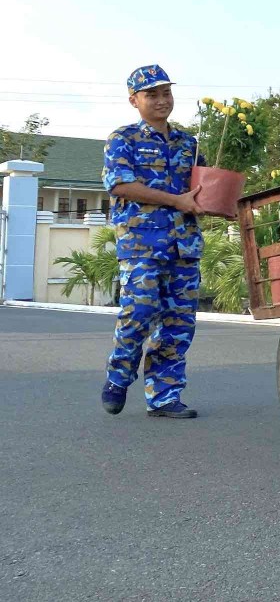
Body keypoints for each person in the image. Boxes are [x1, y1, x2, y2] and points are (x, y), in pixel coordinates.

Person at [100, 65, 206, 419]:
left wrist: (220, 205)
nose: (162, 101)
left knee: (178, 324)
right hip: (142, 244)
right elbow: (121, 186)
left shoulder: (188, 144)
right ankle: (119, 374)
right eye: (152, 94)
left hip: (184, 245)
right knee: (140, 313)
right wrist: (177, 201)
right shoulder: (123, 139)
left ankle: (163, 397)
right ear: (134, 100)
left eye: (166, 93)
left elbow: (201, 189)